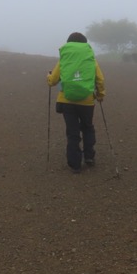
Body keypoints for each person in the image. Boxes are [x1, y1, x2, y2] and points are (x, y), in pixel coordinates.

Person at [46, 32, 106, 174]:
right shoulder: (91, 59)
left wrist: (48, 77)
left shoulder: (64, 59)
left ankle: (75, 164)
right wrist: (100, 95)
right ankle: (89, 157)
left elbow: (53, 81)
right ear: (85, 44)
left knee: (72, 132)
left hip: (67, 101)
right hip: (87, 101)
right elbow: (100, 79)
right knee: (87, 127)